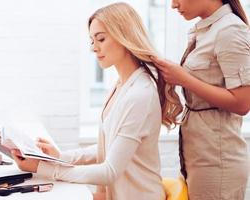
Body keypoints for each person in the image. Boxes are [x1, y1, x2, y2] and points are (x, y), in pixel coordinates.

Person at [11, 2, 183, 200]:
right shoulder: (122, 85)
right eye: (92, 41)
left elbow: (109, 171)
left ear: (124, 36)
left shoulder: (140, 94)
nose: (94, 48)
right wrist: (60, 157)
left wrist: (44, 168)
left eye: (100, 39)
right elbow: (110, 148)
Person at [151, 0, 250, 199]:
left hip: (217, 161)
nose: (173, 5)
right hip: (197, 156)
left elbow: (243, 103)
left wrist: (183, 78)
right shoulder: (207, 30)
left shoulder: (230, 31)